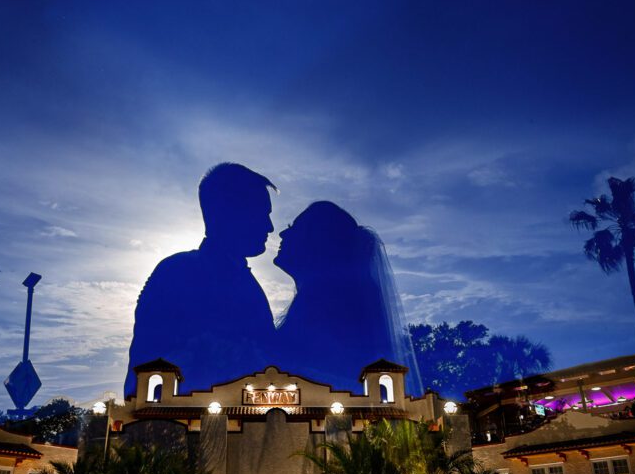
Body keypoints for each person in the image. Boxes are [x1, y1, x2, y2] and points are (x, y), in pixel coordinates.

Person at [124, 163, 277, 396]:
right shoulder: (177, 273)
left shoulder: (247, 283)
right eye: (262, 214)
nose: (270, 226)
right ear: (230, 214)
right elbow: (144, 367)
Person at [272, 201, 422, 395]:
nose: (283, 233)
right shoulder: (324, 301)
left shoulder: (328, 307)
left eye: (294, 228)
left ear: (318, 243)